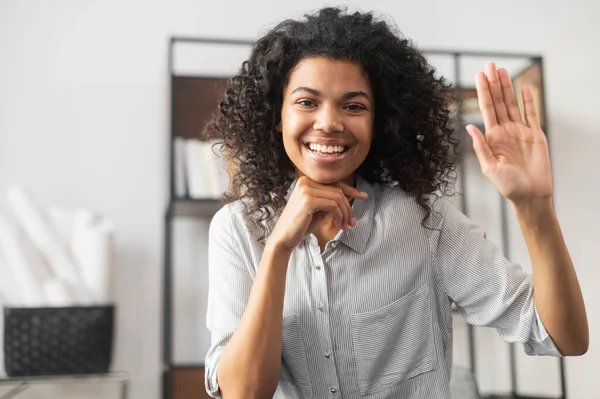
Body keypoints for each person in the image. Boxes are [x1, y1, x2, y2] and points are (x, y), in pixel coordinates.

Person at [202, 7, 588, 399]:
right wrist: (279, 248)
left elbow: (562, 337)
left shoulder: (425, 224)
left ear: (379, 122)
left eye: (353, 106)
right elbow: (243, 393)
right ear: (278, 116)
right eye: (307, 102)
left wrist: (534, 206)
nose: (329, 122)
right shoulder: (237, 229)